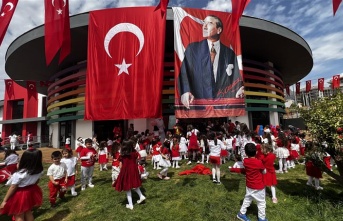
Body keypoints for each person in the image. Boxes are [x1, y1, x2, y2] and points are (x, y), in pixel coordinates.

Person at [178, 15, 243, 109]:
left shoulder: (229, 53)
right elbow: (184, 73)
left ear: (219, 30)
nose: (204, 26)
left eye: (209, 23)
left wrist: (239, 89)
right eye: (204, 23)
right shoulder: (193, 49)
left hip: (222, 106)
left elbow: (236, 77)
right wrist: (185, 91)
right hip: (197, 104)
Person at [0, 149, 44, 220]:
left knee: (19, 214)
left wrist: (5, 200)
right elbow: (36, 181)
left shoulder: (19, 174)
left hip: (20, 194)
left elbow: (13, 187)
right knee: (28, 211)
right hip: (31, 191)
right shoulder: (39, 171)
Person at [237, 143, 268, 221]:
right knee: (261, 202)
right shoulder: (259, 162)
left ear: (246, 153)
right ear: (256, 152)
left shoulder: (245, 161)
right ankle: (261, 218)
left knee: (247, 199)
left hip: (249, 184)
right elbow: (264, 171)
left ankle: (241, 213)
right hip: (258, 186)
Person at [113, 139, 146, 210]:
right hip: (134, 170)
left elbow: (120, 164)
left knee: (127, 188)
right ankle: (141, 196)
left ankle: (130, 205)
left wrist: (121, 171)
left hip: (126, 171)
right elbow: (137, 160)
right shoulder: (134, 152)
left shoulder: (122, 154)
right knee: (134, 184)